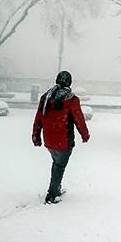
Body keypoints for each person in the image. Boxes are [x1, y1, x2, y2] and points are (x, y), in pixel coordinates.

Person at [32, 70, 90, 204]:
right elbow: (79, 119)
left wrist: (36, 136)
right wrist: (85, 134)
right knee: (59, 166)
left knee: (57, 164)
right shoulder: (71, 99)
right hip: (64, 141)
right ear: (69, 82)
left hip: (49, 140)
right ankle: (52, 194)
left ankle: (56, 188)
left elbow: (38, 118)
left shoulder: (46, 97)